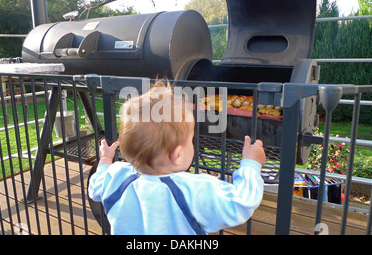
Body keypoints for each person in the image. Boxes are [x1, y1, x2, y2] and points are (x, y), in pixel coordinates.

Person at [88, 81, 266, 235]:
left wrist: (105, 159)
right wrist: (251, 165)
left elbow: (95, 186)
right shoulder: (194, 189)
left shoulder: (116, 176)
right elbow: (242, 202)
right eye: (190, 140)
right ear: (178, 155)